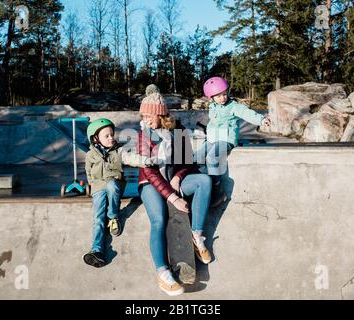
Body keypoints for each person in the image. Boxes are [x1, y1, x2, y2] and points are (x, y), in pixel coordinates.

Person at [137, 85, 213, 296]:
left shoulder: (177, 132)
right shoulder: (143, 135)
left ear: (161, 114)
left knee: (203, 181)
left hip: (172, 180)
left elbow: (186, 161)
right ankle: (163, 273)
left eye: (149, 114)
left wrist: (179, 177)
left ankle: (196, 236)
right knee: (159, 220)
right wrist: (173, 198)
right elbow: (149, 171)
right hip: (150, 185)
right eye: (143, 114)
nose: (146, 118)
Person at [83, 118, 156, 268]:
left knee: (111, 185)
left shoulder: (118, 151)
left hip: (114, 184)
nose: (111, 138)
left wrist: (146, 161)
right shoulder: (90, 155)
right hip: (98, 187)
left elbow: (131, 158)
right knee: (97, 216)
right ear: (95, 139)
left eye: (112, 135)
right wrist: (92, 186)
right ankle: (97, 250)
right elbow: (88, 172)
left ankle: (113, 217)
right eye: (107, 136)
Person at [196, 76, 271, 207]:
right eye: (218, 96)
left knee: (212, 158)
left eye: (224, 94)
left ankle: (218, 193)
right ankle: (203, 185)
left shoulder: (233, 106)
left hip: (226, 139)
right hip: (213, 138)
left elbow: (247, 113)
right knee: (197, 158)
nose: (223, 98)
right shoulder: (213, 106)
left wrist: (261, 120)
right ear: (211, 97)